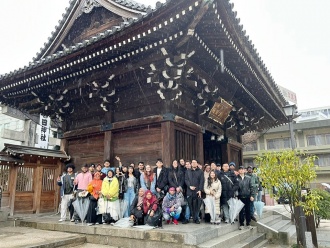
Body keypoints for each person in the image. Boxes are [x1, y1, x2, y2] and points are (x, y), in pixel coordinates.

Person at [185, 159, 204, 224]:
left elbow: (202, 181)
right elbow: (186, 180)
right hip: (189, 190)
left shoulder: (200, 171)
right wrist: (189, 186)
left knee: (197, 205)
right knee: (189, 205)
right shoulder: (188, 171)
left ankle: (196, 218)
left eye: (195, 162)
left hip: (197, 191)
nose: (193, 163)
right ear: (191, 164)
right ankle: (187, 218)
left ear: (197, 163)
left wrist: (200, 190)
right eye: (192, 162)